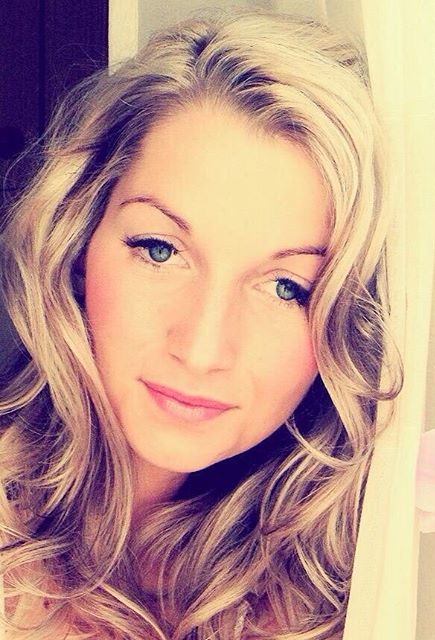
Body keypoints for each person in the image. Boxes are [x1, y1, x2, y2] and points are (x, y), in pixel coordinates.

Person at [0, 8, 402, 640]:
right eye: (160, 249)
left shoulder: (353, 591)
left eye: (286, 287)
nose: (202, 347)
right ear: (78, 243)